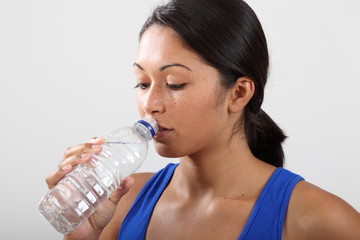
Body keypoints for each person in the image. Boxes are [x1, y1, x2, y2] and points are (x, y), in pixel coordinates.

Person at [45, 0, 360, 239]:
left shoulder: (321, 220)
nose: (150, 105)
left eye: (175, 84)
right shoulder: (120, 204)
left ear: (238, 93)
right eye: (142, 83)